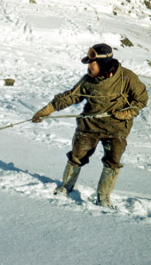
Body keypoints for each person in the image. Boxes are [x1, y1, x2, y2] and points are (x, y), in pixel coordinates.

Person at [32, 43, 148, 208]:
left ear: (103, 63)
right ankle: (66, 187)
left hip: (116, 128)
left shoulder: (127, 78)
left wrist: (127, 112)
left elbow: (141, 99)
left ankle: (103, 198)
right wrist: (46, 110)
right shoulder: (88, 80)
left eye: (92, 63)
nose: (89, 66)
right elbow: (71, 96)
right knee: (76, 156)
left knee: (112, 161)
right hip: (89, 126)